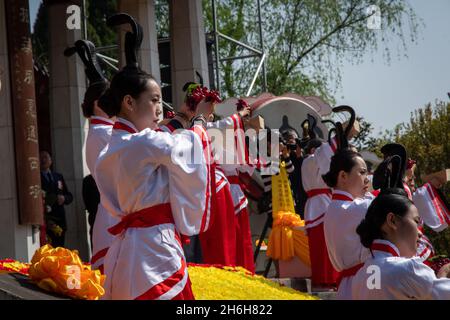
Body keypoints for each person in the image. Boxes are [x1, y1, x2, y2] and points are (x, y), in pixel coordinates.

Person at [94, 60, 213, 299]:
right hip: (154, 248)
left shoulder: (111, 148)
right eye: (154, 100)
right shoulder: (143, 142)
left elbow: (161, 140)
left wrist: (182, 118)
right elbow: (185, 148)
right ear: (129, 102)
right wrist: (199, 122)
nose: (159, 108)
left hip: (126, 249)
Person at [65, 39, 117, 272]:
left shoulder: (103, 130)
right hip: (113, 217)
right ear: (98, 104)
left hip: (113, 214)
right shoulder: (104, 132)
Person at [351, 192, 450, 299]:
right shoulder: (407, 268)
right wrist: (444, 273)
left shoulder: (359, 276)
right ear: (392, 221)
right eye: (416, 221)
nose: (420, 233)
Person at [40, 150, 73, 247]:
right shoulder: (36, 178)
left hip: (60, 221)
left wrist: (64, 198)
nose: (43, 160)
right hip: (46, 221)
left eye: (46, 157)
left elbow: (69, 196)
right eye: (41, 158)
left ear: (51, 160)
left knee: (60, 249)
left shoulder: (58, 177)